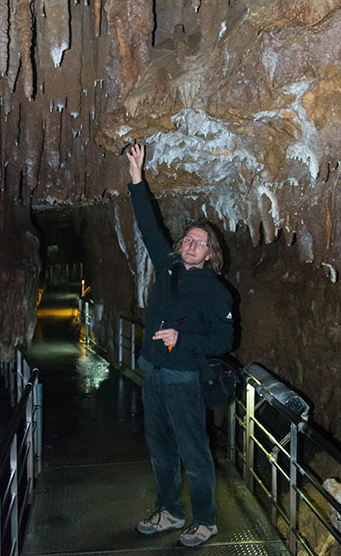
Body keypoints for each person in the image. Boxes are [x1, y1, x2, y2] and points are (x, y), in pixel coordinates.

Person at [126, 142, 234, 548]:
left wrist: (182, 338)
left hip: (183, 376)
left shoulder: (216, 291)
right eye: (187, 239)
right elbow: (148, 225)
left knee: (194, 450)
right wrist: (137, 175)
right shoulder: (168, 266)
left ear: (210, 254)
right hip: (152, 369)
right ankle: (169, 511)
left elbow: (225, 339)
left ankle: (205, 520)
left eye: (199, 242)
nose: (190, 244)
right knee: (160, 446)